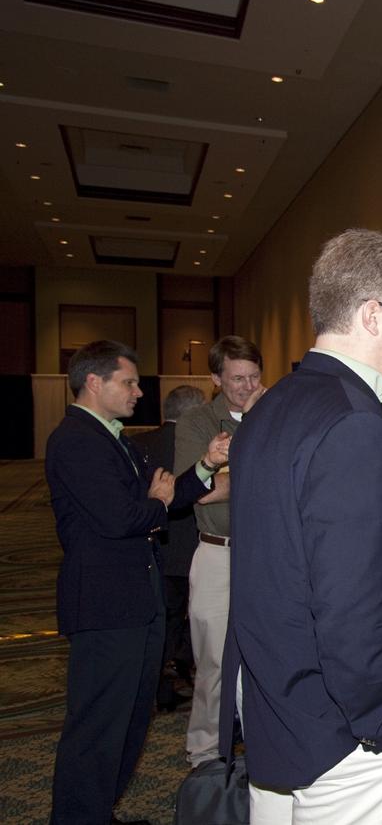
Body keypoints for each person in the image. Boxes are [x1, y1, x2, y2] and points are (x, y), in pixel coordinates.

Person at [221, 229, 382, 824]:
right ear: (373, 315)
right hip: (346, 742)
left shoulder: (270, 409)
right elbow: (352, 609)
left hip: (278, 715)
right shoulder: (355, 426)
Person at [47, 340, 229, 825]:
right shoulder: (76, 440)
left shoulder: (116, 437)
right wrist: (154, 505)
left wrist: (207, 465)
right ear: (94, 382)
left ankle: (97, 813)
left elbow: (166, 497)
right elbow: (119, 517)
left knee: (128, 723)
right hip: (106, 606)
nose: (137, 392)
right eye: (127, 382)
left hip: (135, 602)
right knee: (98, 726)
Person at [175, 335, 264, 768]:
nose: (247, 387)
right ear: (215, 379)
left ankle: (263, 748)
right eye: (236, 379)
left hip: (267, 558)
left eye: (254, 377)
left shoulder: (273, 414)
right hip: (217, 554)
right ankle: (205, 754)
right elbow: (200, 492)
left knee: (266, 657)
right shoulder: (197, 422)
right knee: (212, 660)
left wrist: (230, 477)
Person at [131, 383, 206, 712]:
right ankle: (187, 672)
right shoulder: (202, 445)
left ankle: (161, 685)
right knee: (198, 618)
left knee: (165, 619)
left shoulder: (138, 444)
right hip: (194, 546)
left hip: (157, 548)